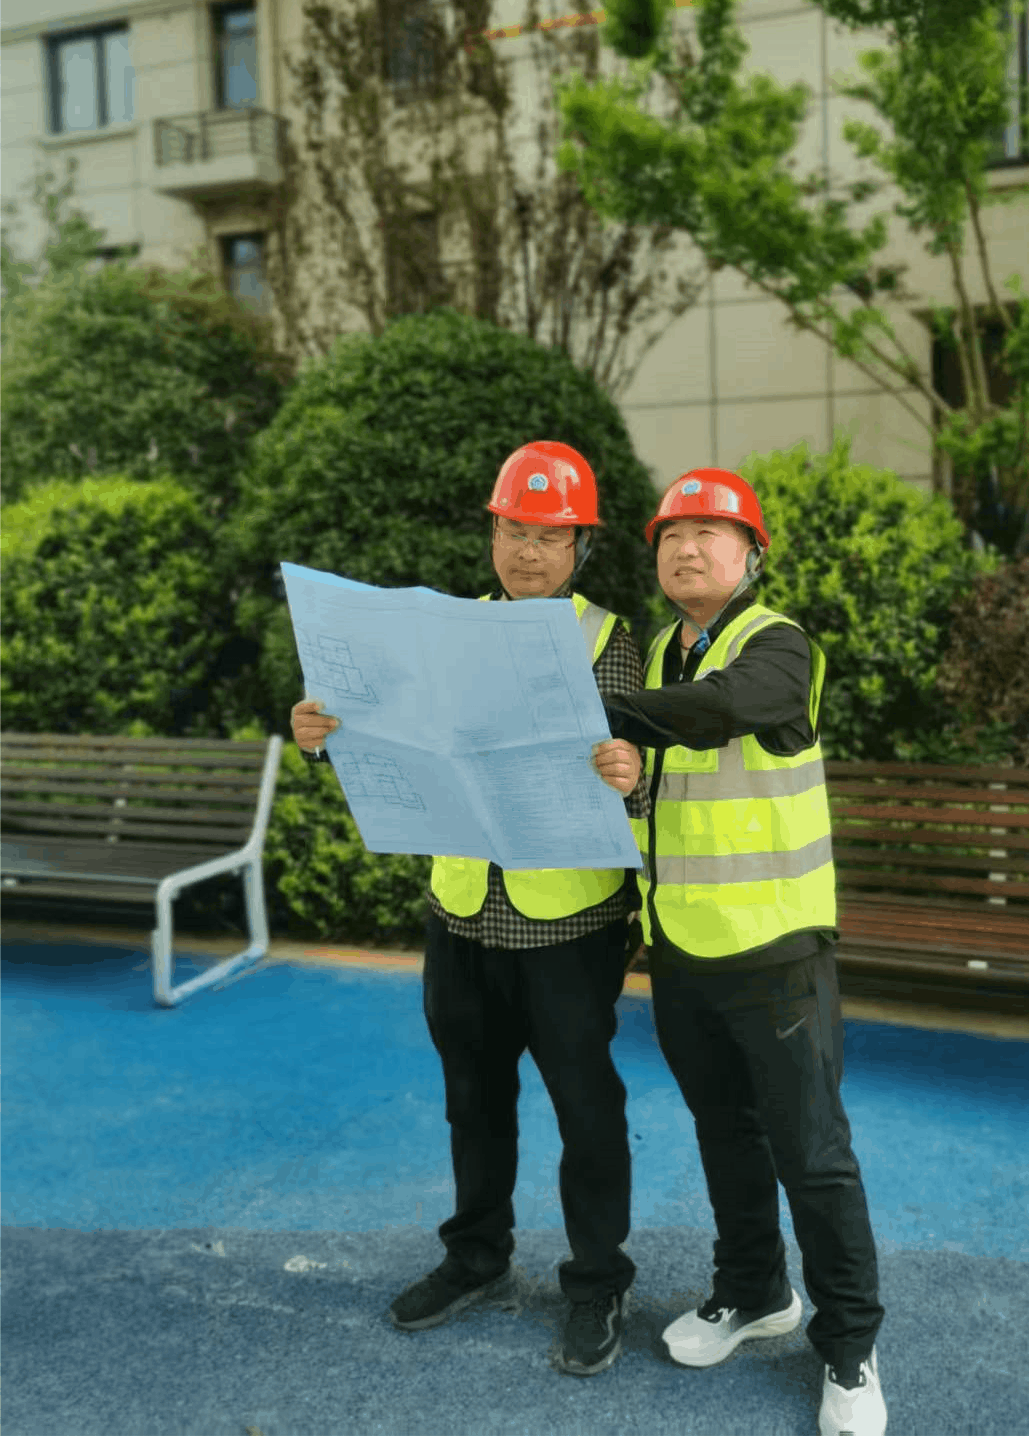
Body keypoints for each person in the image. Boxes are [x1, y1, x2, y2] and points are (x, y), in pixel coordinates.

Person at [291, 440, 649, 1378]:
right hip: (460, 913)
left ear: (581, 547)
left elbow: (644, 778)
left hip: (569, 925)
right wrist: (323, 736)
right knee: (472, 1101)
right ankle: (477, 1257)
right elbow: (384, 735)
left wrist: (630, 774)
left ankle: (597, 1280)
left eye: (548, 535)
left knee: (586, 1109)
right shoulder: (440, 634)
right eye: (512, 530)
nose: (526, 550)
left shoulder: (612, 642)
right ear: (491, 534)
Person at [597, 467, 889, 1436]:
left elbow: (724, 710)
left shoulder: (776, 644)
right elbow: (666, 792)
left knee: (812, 1154)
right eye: (670, 535)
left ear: (751, 555)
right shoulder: (661, 659)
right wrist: (625, 775)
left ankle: (849, 1345)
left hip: (775, 949)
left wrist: (606, 715)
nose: (685, 548)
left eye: (709, 533)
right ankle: (754, 1290)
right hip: (681, 947)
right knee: (724, 1134)